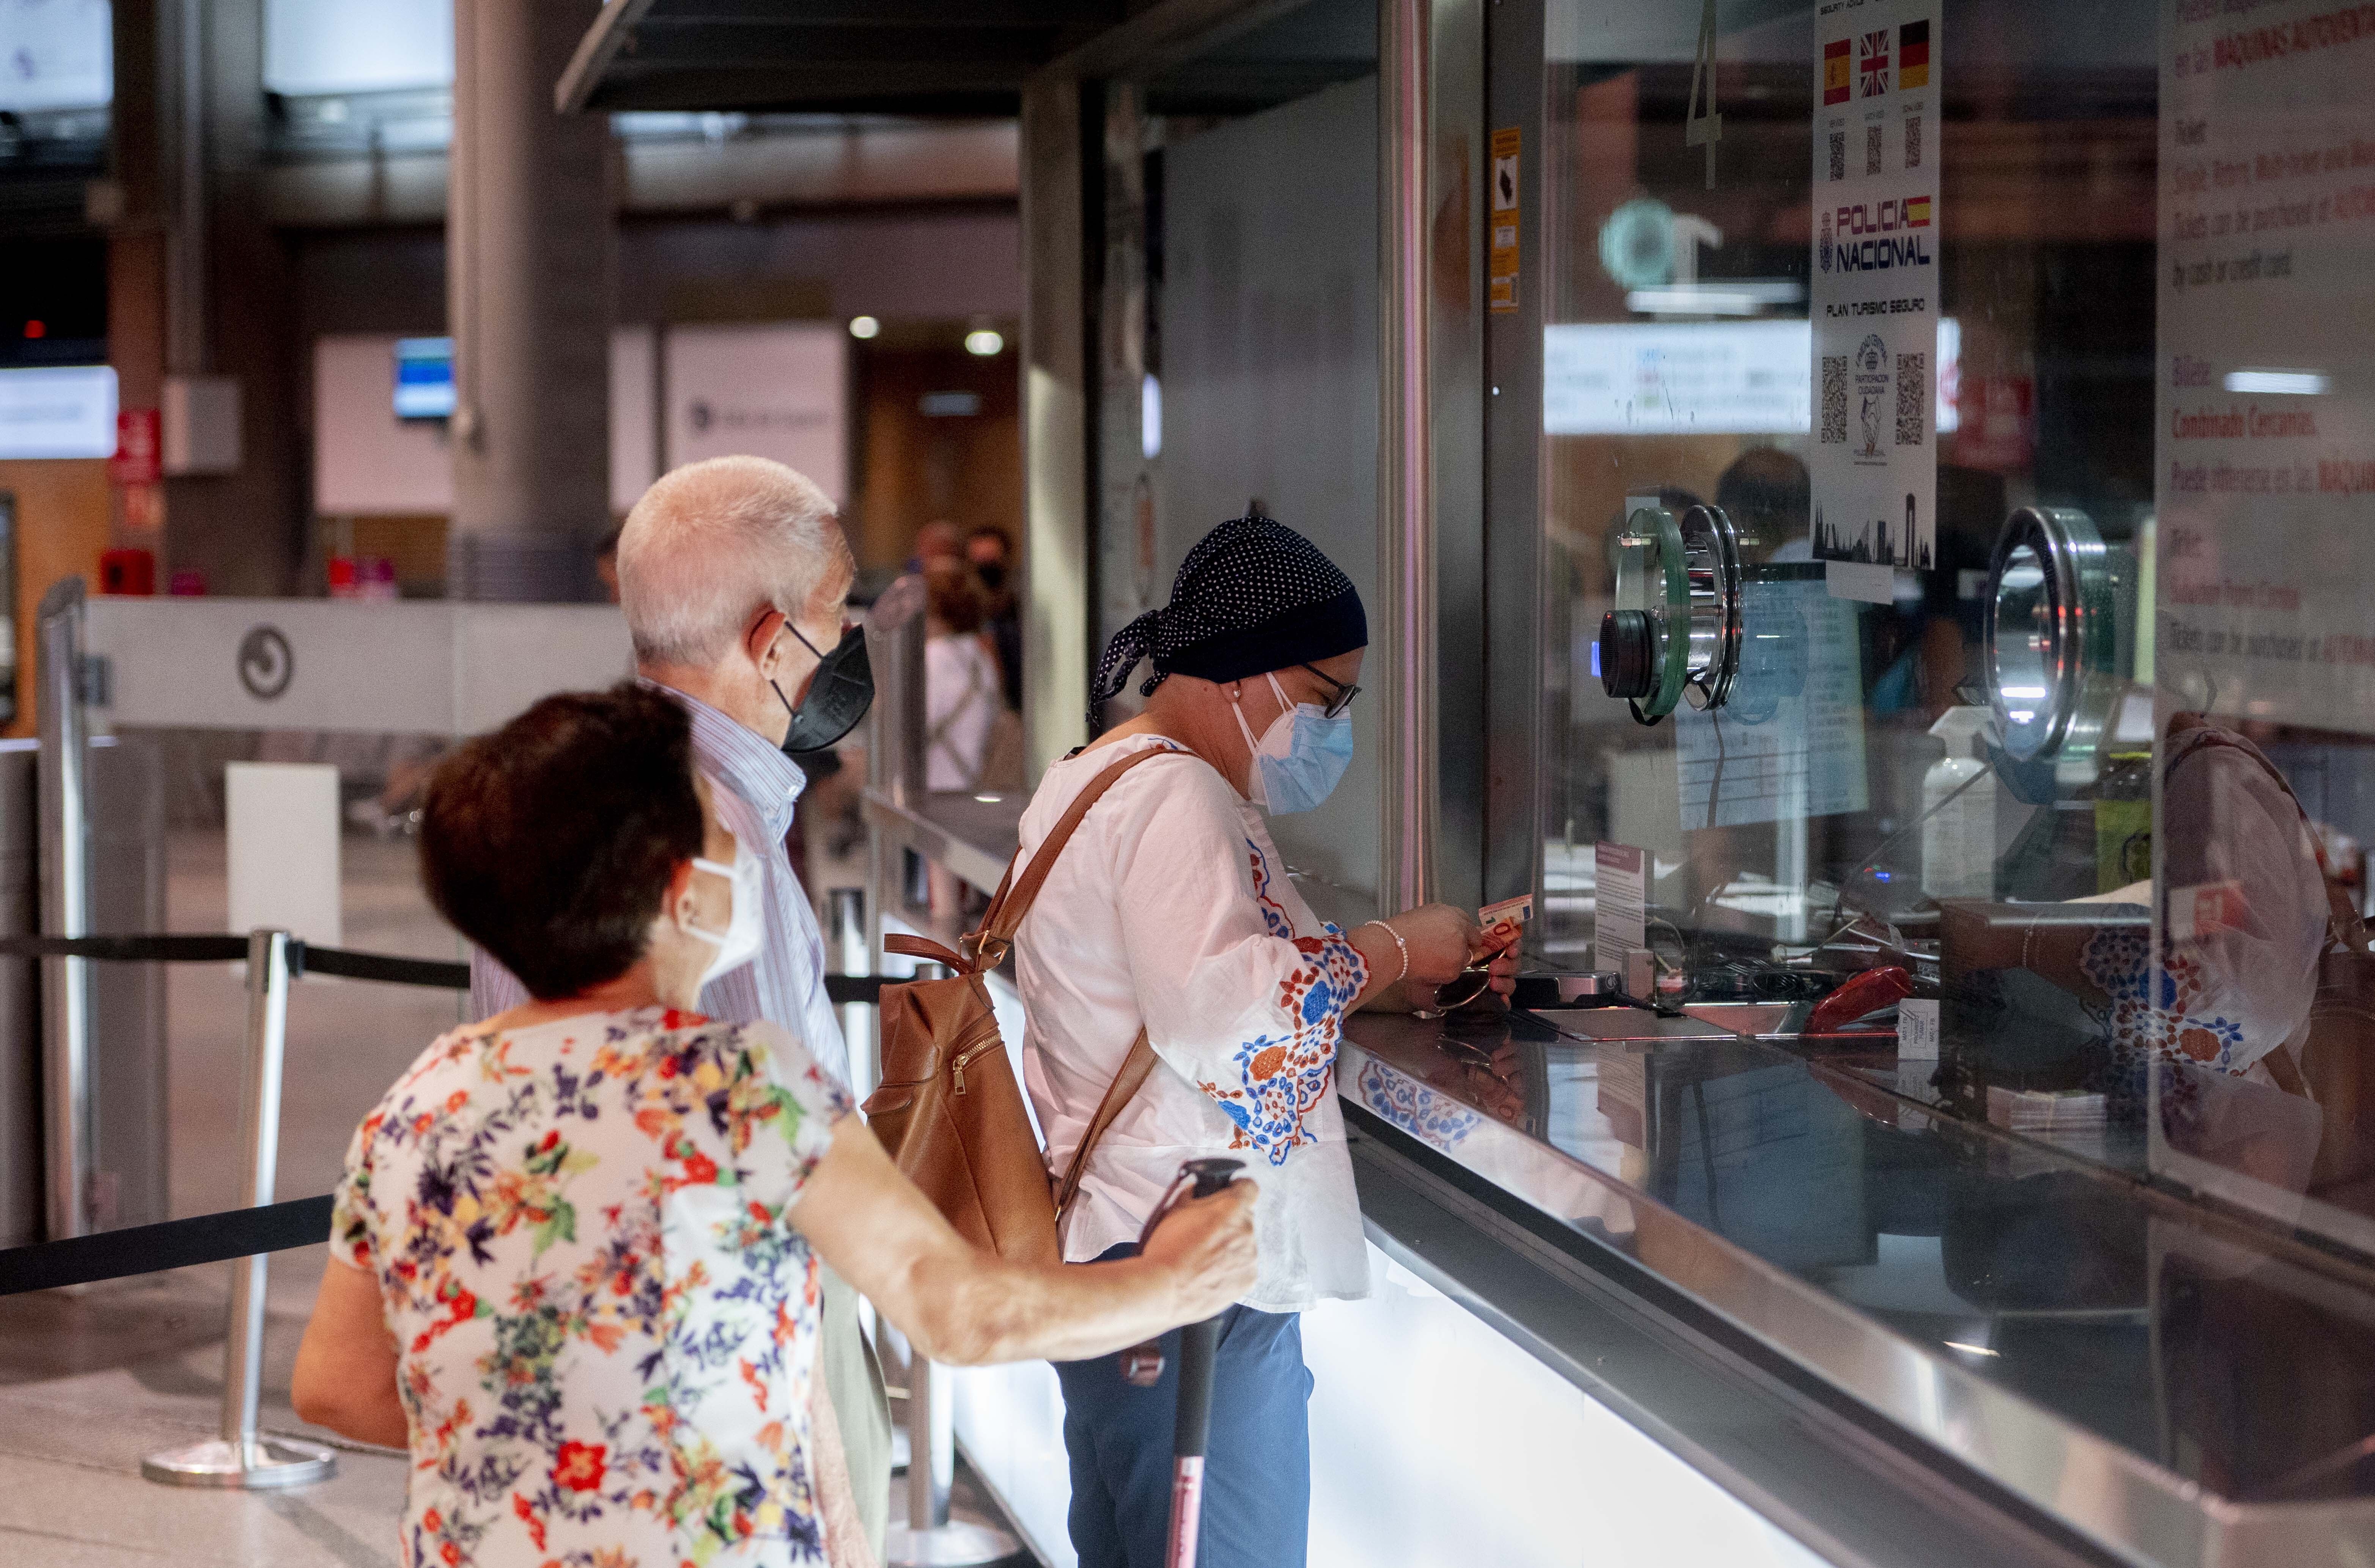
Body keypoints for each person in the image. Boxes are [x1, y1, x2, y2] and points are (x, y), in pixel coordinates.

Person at [292, 685, 1258, 1568]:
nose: (742, 856)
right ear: (678, 892)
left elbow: (334, 1384)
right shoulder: (743, 1089)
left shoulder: (421, 1102)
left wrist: (554, 1451)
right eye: (722, 832)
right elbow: (956, 1309)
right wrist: (1170, 1278)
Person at [1012, 514, 1516, 1568]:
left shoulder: (1095, 773)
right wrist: (1387, 944)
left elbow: (1189, 980)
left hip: (1116, 1248)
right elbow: (1222, 1020)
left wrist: (1389, 978)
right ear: (1247, 673)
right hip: (1181, 1265)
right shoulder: (1173, 795)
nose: (1330, 729)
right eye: (1326, 698)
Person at [468, 455, 896, 1557]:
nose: (847, 647)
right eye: (838, 613)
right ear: (770, 638)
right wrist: (838, 1512)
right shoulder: (727, 846)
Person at [922, 562, 1001, 792]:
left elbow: (910, 732)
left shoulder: (932, 658)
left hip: (933, 789)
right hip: (972, 784)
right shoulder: (980, 658)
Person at [965, 525, 1024, 713]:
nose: (986, 571)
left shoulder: (1022, 609)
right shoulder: (965, 616)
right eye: (980, 563)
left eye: (991, 562)